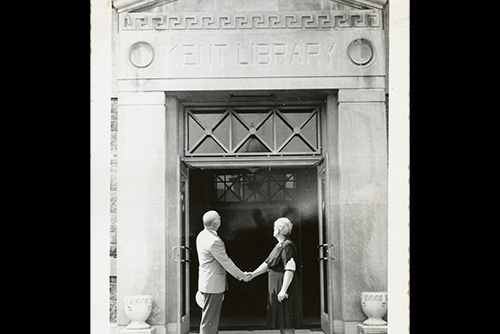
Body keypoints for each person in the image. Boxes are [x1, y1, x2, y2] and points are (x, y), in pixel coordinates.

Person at [196, 210, 251, 334]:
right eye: (219, 218)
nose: (221, 219)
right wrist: (242, 276)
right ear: (215, 224)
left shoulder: (202, 235)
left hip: (207, 282)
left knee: (209, 318)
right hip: (213, 285)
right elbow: (226, 262)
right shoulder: (214, 241)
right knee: (210, 320)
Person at [247, 217, 303, 334]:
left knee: (287, 322)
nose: (273, 229)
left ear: (279, 229)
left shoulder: (287, 245)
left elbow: (290, 268)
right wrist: (252, 274)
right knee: (282, 321)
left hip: (285, 287)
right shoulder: (279, 245)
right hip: (278, 286)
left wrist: (283, 290)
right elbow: (267, 263)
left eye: (275, 227)